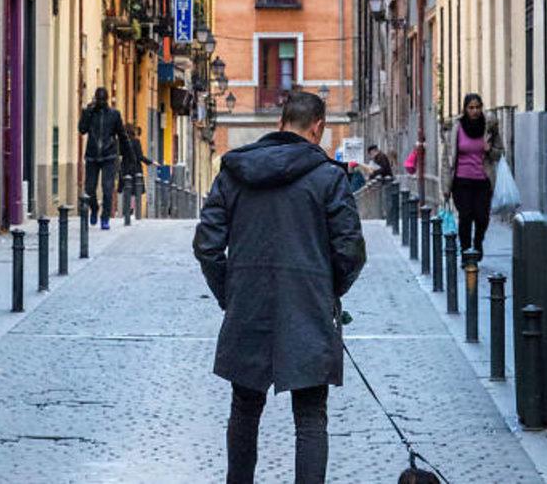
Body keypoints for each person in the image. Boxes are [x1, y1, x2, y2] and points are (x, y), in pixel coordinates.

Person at [193, 91, 367, 484]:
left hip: (248, 304)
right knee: (309, 416)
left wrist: (230, 293)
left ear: (280, 123)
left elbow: (206, 244)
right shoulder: (328, 178)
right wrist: (328, 291)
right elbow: (351, 250)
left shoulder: (235, 172)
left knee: (244, 406)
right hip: (307, 306)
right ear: (318, 127)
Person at [441, 93, 505, 259]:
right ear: (465, 109)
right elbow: (446, 159)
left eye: (477, 107)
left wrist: (489, 150)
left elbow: (499, 153)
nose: (475, 111)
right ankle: (465, 252)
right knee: (465, 216)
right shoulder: (457, 128)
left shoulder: (489, 127)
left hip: (483, 181)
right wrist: (446, 186)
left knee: (482, 217)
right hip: (461, 181)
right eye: (471, 108)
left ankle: (477, 243)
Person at [78, 87, 130, 230]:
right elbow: (82, 129)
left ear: (106, 100)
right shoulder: (90, 113)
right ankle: (94, 208)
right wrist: (87, 112)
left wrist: (128, 154)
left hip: (109, 156)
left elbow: (122, 135)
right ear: (95, 99)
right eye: (98, 99)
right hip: (92, 156)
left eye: (102, 99)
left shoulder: (114, 115)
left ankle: (105, 217)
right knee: (89, 188)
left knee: (107, 189)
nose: (100, 101)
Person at [118, 124, 154, 216]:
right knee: (134, 191)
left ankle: (125, 208)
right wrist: (151, 162)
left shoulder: (121, 142)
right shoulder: (136, 141)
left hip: (125, 168)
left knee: (125, 188)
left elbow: (119, 154)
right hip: (134, 168)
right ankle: (130, 208)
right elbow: (140, 156)